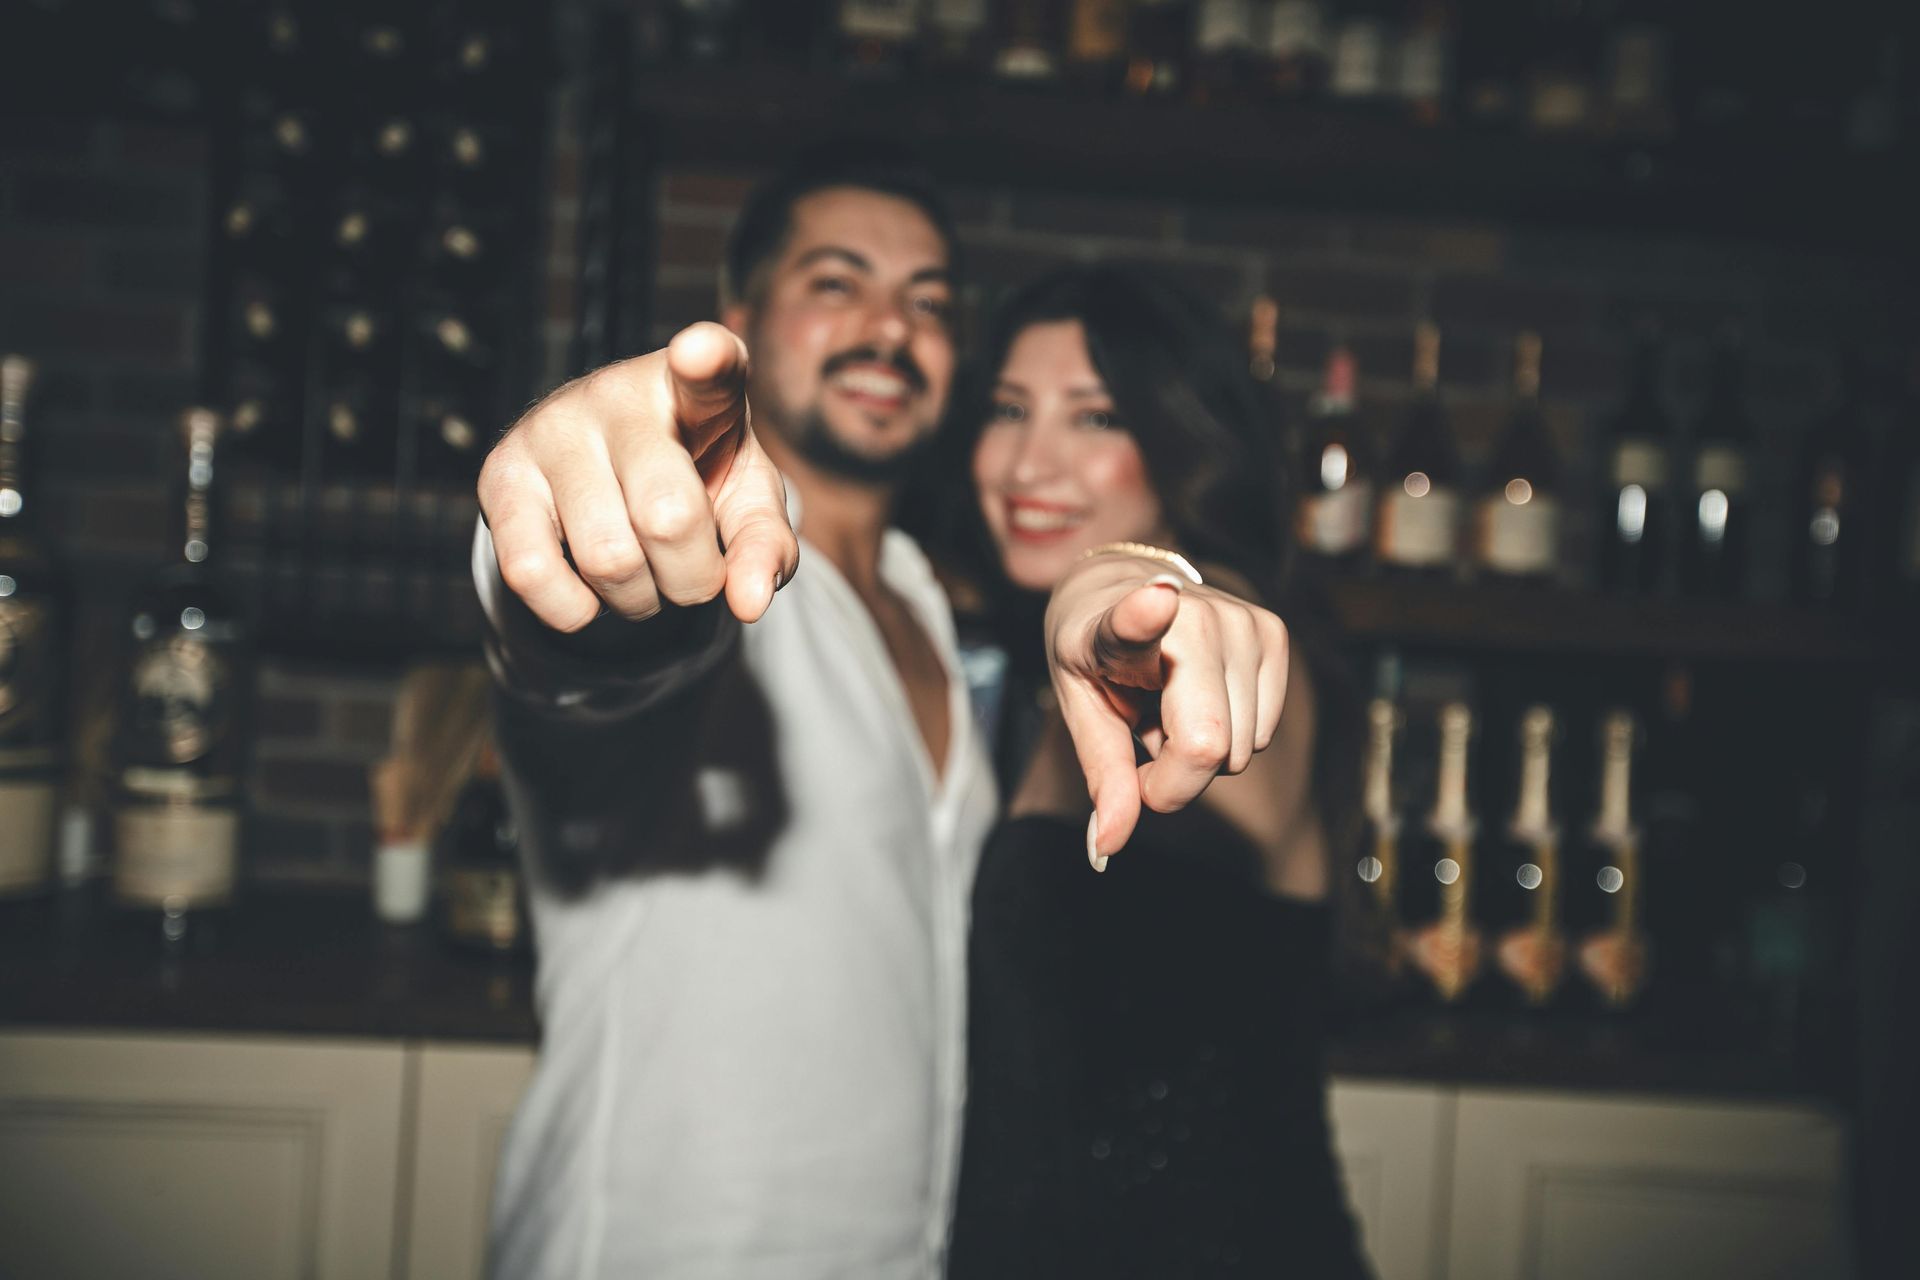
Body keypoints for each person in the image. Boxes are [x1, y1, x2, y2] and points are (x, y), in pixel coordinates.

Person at [471, 152, 1294, 1279]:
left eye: (929, 302)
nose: (887, 328)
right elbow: (594, 638)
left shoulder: (928, 598)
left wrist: (1146, 581)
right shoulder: (712, 562)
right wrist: (588, 499)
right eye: (835, 283)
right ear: (740, 315)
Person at [942, 266, 1373, 1278]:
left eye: (1094, 418)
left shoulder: (1225, 639)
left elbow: (1176, 639)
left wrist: (1137, 596)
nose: (1027, 461)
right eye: (1009, 408)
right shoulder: (1047, 692)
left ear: (1183, 445)